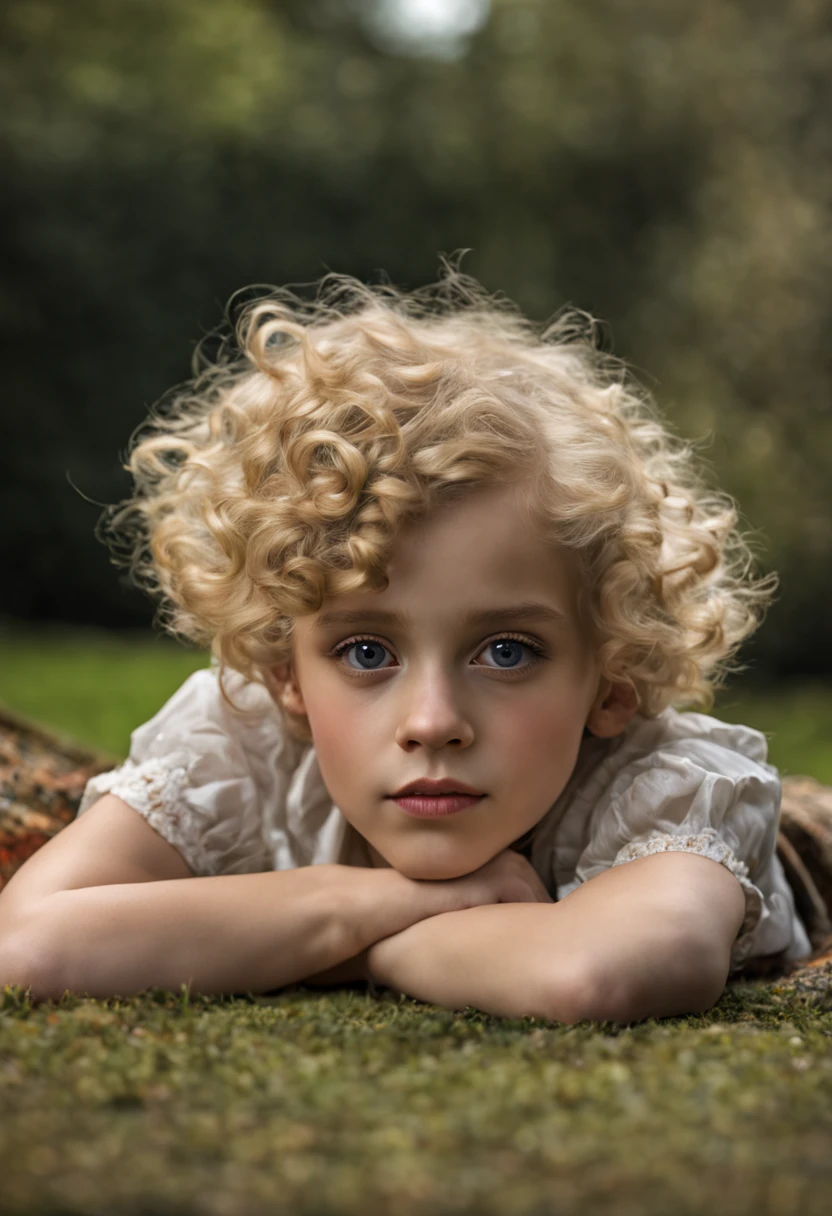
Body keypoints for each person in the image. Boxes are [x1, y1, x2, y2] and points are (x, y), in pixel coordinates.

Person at [0, 266, 813, 1022]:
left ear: (612, 681)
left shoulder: (670, 790)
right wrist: (373, 906)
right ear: (286, 675)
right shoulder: (239, 745)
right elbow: (26, 946)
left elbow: (594, 970)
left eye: (507, 651)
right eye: (365, 653)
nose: (432, 721)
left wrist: (301, 947)